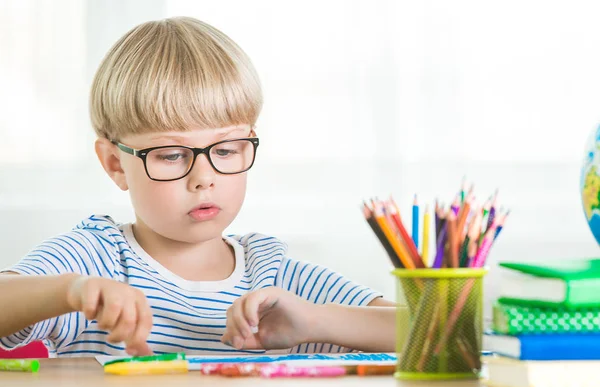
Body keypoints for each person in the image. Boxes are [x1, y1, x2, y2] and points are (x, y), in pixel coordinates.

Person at [0, 17, 395, 357]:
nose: (203, 177)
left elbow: (432, 333)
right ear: (115, 164)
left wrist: (316, 320)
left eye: (225, 150)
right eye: (171, 156)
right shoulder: (95, 259)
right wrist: (69, 291)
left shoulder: (272, 275)